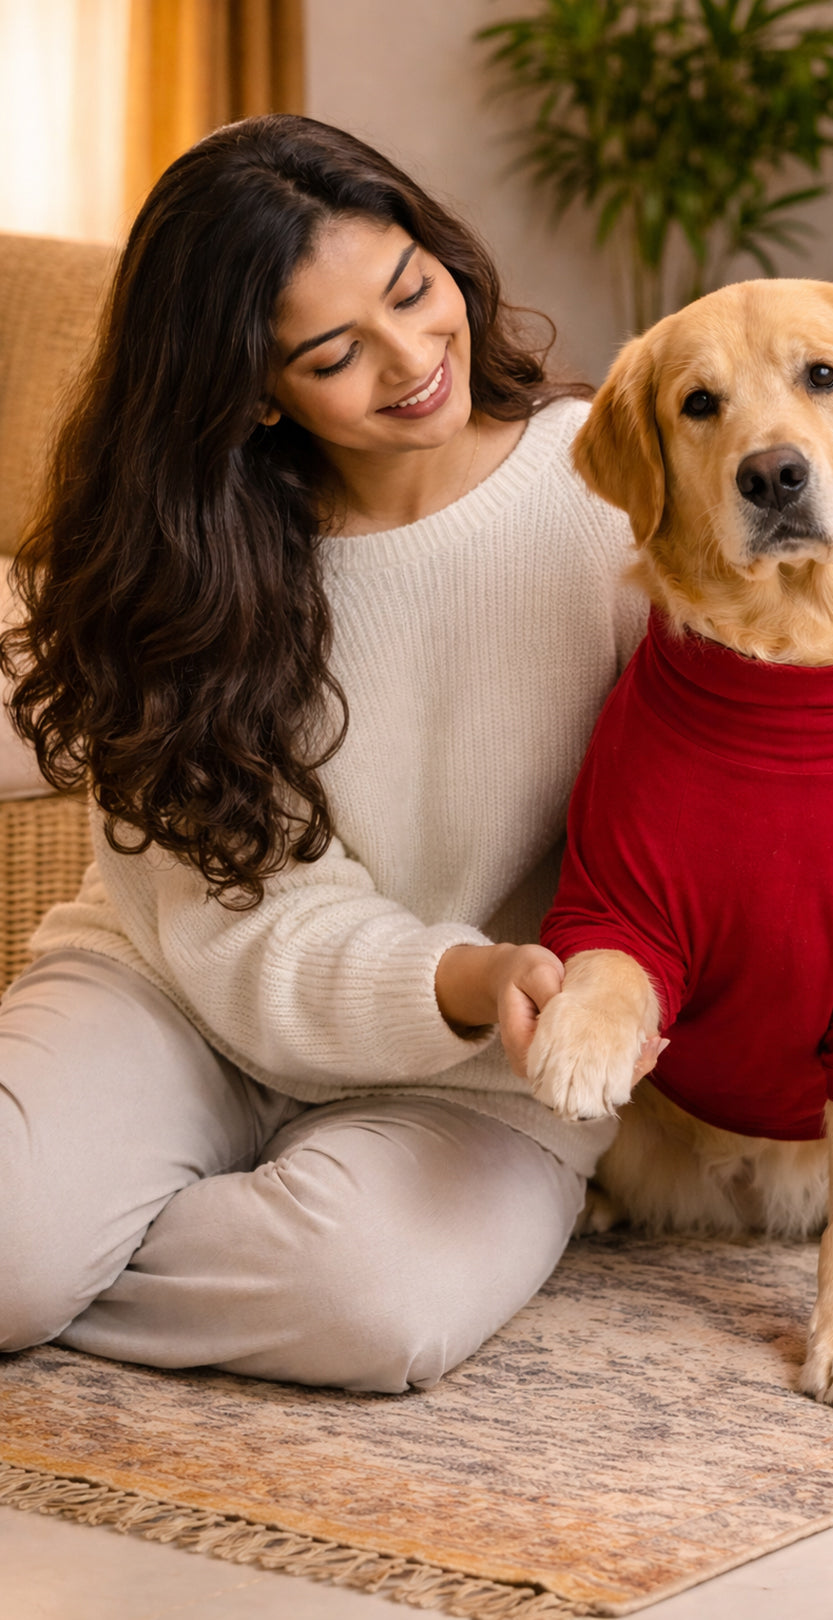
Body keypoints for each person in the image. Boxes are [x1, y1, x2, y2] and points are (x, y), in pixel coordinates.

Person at [0, 114, 654, 1393]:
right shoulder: (189, 562)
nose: (414, 357)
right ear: (248, 391)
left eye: (416, 291)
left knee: (371, 1309)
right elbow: (237, 915)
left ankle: (86, 1238)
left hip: (483, 1070)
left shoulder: (611, 489)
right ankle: (71, 1228)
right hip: (174, 994)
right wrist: (454, 972)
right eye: (336, 352)